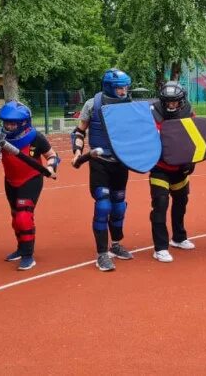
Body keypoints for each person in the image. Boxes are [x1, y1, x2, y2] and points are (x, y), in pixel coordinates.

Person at [71, 68, 134, 272]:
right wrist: (77, 152)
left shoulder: (129, 106)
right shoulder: (92, 104)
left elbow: (138, 133)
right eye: (120, 88)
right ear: (109, 87)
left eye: (125, 87)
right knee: (103, 205)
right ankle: (101, 255)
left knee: (119, 206)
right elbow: (79, 131)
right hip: (99, 160)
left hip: (121, 162)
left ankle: (116, 245)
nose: (124, 91)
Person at [0, 101, 59, 271]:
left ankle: (28, 256)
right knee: (15, 217)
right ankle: (20, 248)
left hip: (31, 179)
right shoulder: (0, 138)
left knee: (23, 217)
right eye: (5, 123)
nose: (8, 126)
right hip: (10, 181)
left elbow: (52, 155)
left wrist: (50, 167)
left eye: (12, 123)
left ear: (23, 123)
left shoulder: (35, 137)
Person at [149, 81, 198, 263]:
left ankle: (178, 237)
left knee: (181, 202)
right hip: (159, 167)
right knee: (160, 204)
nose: (171, 105)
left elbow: (196, 138)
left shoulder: (188, 113)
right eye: (168, 102)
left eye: (175, 102)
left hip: (180, 167)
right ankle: (160, 248)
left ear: (181, 101)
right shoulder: (152, 113)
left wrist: (192, 161)